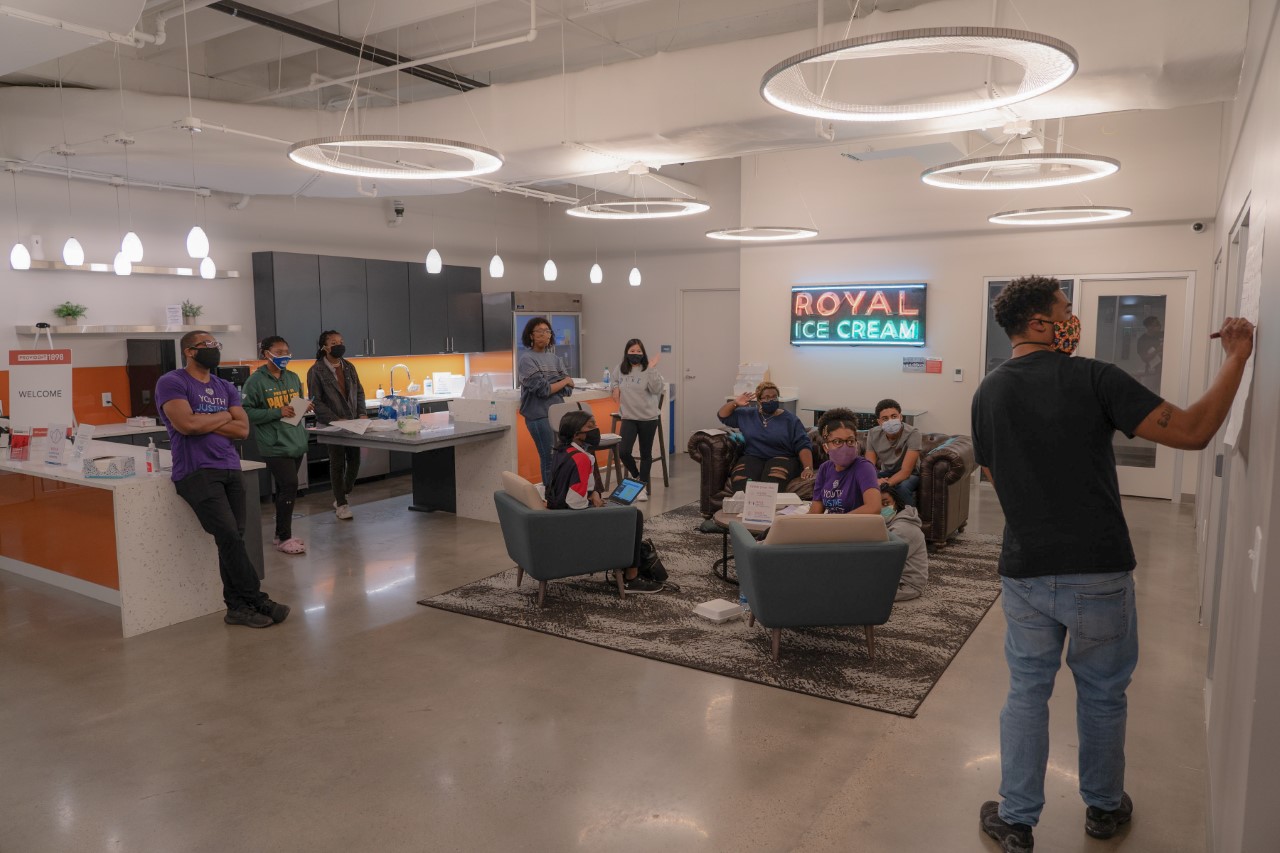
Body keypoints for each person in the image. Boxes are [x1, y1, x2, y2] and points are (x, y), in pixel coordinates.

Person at [971, 275, 1254, 853]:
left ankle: (1018, 820)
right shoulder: (1093, 377)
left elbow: (994, 474)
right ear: (1042, 324)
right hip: (1098, 570)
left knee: (1027, 692)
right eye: (1065, 311)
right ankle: (1103, 809)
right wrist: (1238, 356)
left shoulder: (988, 391)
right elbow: (1196, 431)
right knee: (1102, 693)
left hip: (1024, 569)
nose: (1072, 319)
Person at [156, 330, 290, 629]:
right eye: (208, 345)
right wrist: (223, 417)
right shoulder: (173, 382)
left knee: (233, 541)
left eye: (217, 345)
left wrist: (209, 420)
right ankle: (257, 599)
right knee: (229, 536)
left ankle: (236, 608)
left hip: (230, 467)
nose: (214, 350)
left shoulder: (224, 385)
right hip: (196, 471)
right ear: (190, 351)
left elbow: (242, 429)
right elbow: (187, 424)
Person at [545, 411, 662, 593]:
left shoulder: (562, 451)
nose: (596, 430)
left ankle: (627, 568)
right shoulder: (582, 459)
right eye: (590, 427)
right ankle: (631, 577)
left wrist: (593, 495)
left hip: (558, 511)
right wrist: (595, 506)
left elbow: (568, 486)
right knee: (634, 515)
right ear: (577, 433)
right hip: (571, 519)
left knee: (624, 512)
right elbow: (576, 503)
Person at [242, 335, 313, 554]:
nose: (284, 356)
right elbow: (246, 411)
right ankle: (284, 537)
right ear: (266, 354)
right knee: (290, 485)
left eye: (286, 352)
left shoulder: (292, 377)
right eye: (279, 352)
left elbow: (294, 405)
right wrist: (276, 412)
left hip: (295, 440)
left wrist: (303, 406)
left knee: (285, 489)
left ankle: (280, 534)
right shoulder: (255, 381)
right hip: (273, 443)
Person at [307, 330, 366, 520]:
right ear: (324, 347)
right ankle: (341, 503)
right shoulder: (316, 370)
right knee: (337, 463)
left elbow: (359, 392)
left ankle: (343, 492)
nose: (338, 345)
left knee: (355, 461)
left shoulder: (349, 367)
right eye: (334, 342)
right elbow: (316, 400)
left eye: (341, 341)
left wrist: (362, 413)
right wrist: (334, 418)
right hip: (332, 424)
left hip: (353, 422)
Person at [717, 381, 814, 494]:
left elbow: (803, 444)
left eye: (774, 397)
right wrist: (735, 403)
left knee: (772, 482)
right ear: (759, 401)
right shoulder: (748, 415)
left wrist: (808, 467)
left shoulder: (790, 420)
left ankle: (769, 511)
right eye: (766, 398)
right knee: (741, 481)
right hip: (753, 457)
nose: (771, 400)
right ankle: (744, 510)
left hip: (783, 457)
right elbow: (722, 415)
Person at [518, 316, 574, 486]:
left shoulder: (555, 359)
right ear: (531, 336)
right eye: (539, 331)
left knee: (560, 457)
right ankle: (551, 497)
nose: (544, 334)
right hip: (538, 416)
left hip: (558, 414)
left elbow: (568, 390)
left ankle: (559, 493)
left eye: (547, 331)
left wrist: (559, 384)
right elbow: (543, 390)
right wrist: (563, 381)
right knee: (548, 457)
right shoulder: (527, 359)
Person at [612, 338, 664, 502]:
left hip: (648, 418)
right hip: (628, 417)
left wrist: (651, 368)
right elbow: (614, 380)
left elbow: (657, 389)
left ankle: (641, 485)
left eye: (638, 351)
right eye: (632, 351)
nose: (635, 354)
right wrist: (615, 387)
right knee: (624, 452)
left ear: (643, 353)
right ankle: (636, 477)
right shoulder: (620, 369)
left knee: (645, 453)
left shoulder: (647, 369)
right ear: (627, 352)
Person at [807, 407, 879, 516]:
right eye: (837, 441)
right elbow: (815, 512)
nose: (845, 446)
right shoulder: (825, 469)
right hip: (832, 529)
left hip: (858, 530)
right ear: (826, 447)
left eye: (850, 441)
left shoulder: (864, 468)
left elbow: (873, 508)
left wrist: (839, 522)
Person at [865, 398, 922, 507]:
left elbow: (906, 471)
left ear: (901, 417)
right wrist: (874, 479)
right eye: (885, 418)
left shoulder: (913, 434)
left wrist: (885, 484)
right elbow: (869, 465)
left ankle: (910, 519)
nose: (890, 421)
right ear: (879, 422)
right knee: (861, 481)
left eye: (894, 416)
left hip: (911, 474)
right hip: (887, 472)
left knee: (902, 488)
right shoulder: (873, 434)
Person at [880, 485, 928, 601]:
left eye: (886, 504)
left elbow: (884, 561)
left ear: (895, 503)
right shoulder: (892, 523)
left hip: (907, 585)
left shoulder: (902, 529)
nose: (881, 508)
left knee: (860, 593)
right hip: (896, 577)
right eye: (877, 505)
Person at [1136, 315, 1164, 392]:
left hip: (1164, 372)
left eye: (1159, 324)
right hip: (1151, 374)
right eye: (1157, 324)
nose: (1159, 326)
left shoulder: (1163, 335)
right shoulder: (1142, 340)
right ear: (1149, 327)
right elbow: (1144, 358)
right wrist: (1157, 350)